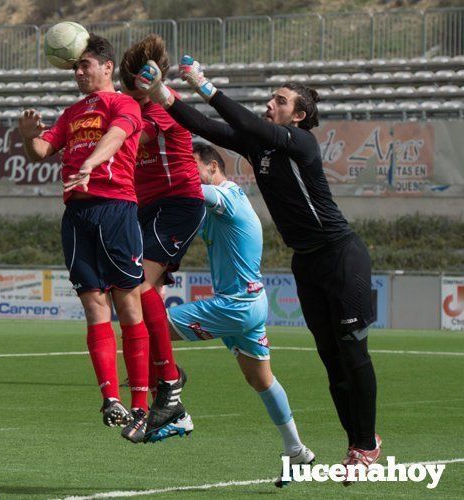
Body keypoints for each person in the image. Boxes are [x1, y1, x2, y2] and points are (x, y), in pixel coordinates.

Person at [136, 56, 380, 479]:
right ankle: (350, 444)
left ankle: (365, 444)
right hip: (306, 261)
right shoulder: (261, 145)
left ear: (299, 117)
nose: (271, 103)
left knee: (353, 354)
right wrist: (162, 95)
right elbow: (207, 127)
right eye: (271, 98)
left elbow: (250, 126)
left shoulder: (301, 142)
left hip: (342, 255)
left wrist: (203, 84)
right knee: (330, 358)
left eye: (280, 101)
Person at [17, 34, 150, 443]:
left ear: (107, 67)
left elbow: (117, 136)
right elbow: (40, 152)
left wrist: (92, 161)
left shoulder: (123, 103)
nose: (78, 72)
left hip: (115, 209)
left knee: (127, 302)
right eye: (76, 66)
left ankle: (143, 406)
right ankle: (111, 398)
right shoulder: (72, 112)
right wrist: (26, 134)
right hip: (76, 213)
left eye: (85, 65)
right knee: (93, 303)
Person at [156, 143, 314, 485]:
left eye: (192, 165)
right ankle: (296, 449)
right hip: (249, 305)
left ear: (213, 167)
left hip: (236, 305)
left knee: (151, 328)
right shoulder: (220, 205)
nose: (187, 172)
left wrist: (156, 181)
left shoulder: (226, 196)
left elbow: (196, 192)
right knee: (260, 379)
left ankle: (175, 409)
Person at [117, 35, 205, 443]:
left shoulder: (160, 108)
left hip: (178, 202)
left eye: (130, 87)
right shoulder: (134, 106)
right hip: (147, 208)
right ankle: (169, 392)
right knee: (127, 291)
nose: (126, 94)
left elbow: (138, 140)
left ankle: (168, 383)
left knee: (138, 285)